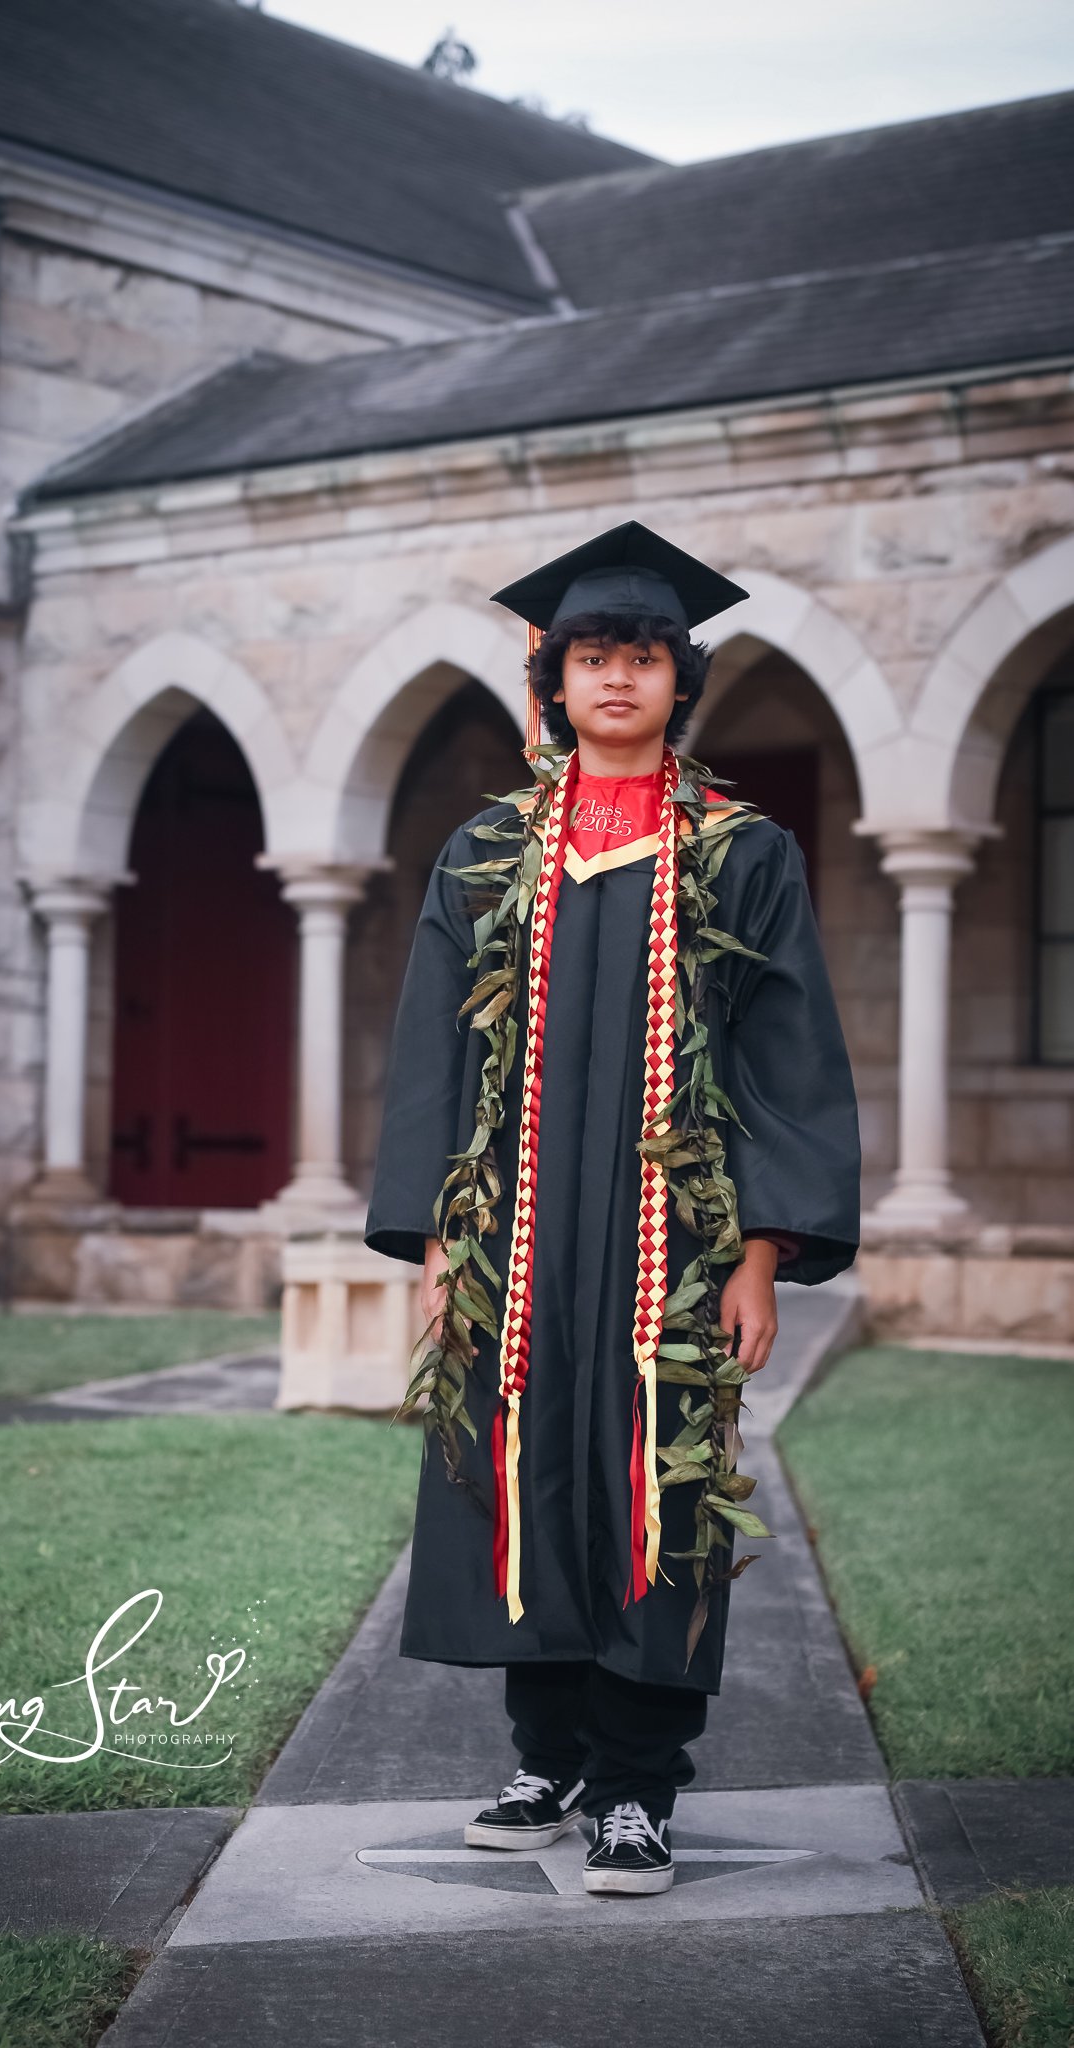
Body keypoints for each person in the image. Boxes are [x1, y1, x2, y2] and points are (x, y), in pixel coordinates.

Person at [364, 520, 861, 1896]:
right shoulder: (485, 853)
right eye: (594, 654)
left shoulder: (740, 855)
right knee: (522, 1472)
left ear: (677, 678)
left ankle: (638, 1783)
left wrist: (760, 1255)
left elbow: (785, 1059)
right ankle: (548, 1755)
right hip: (513, 1242)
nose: (618, 676)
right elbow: (433, 1055)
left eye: (643, 653)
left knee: (654, 1489)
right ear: (555, 678)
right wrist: (429, 1243)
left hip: (672, 1248)